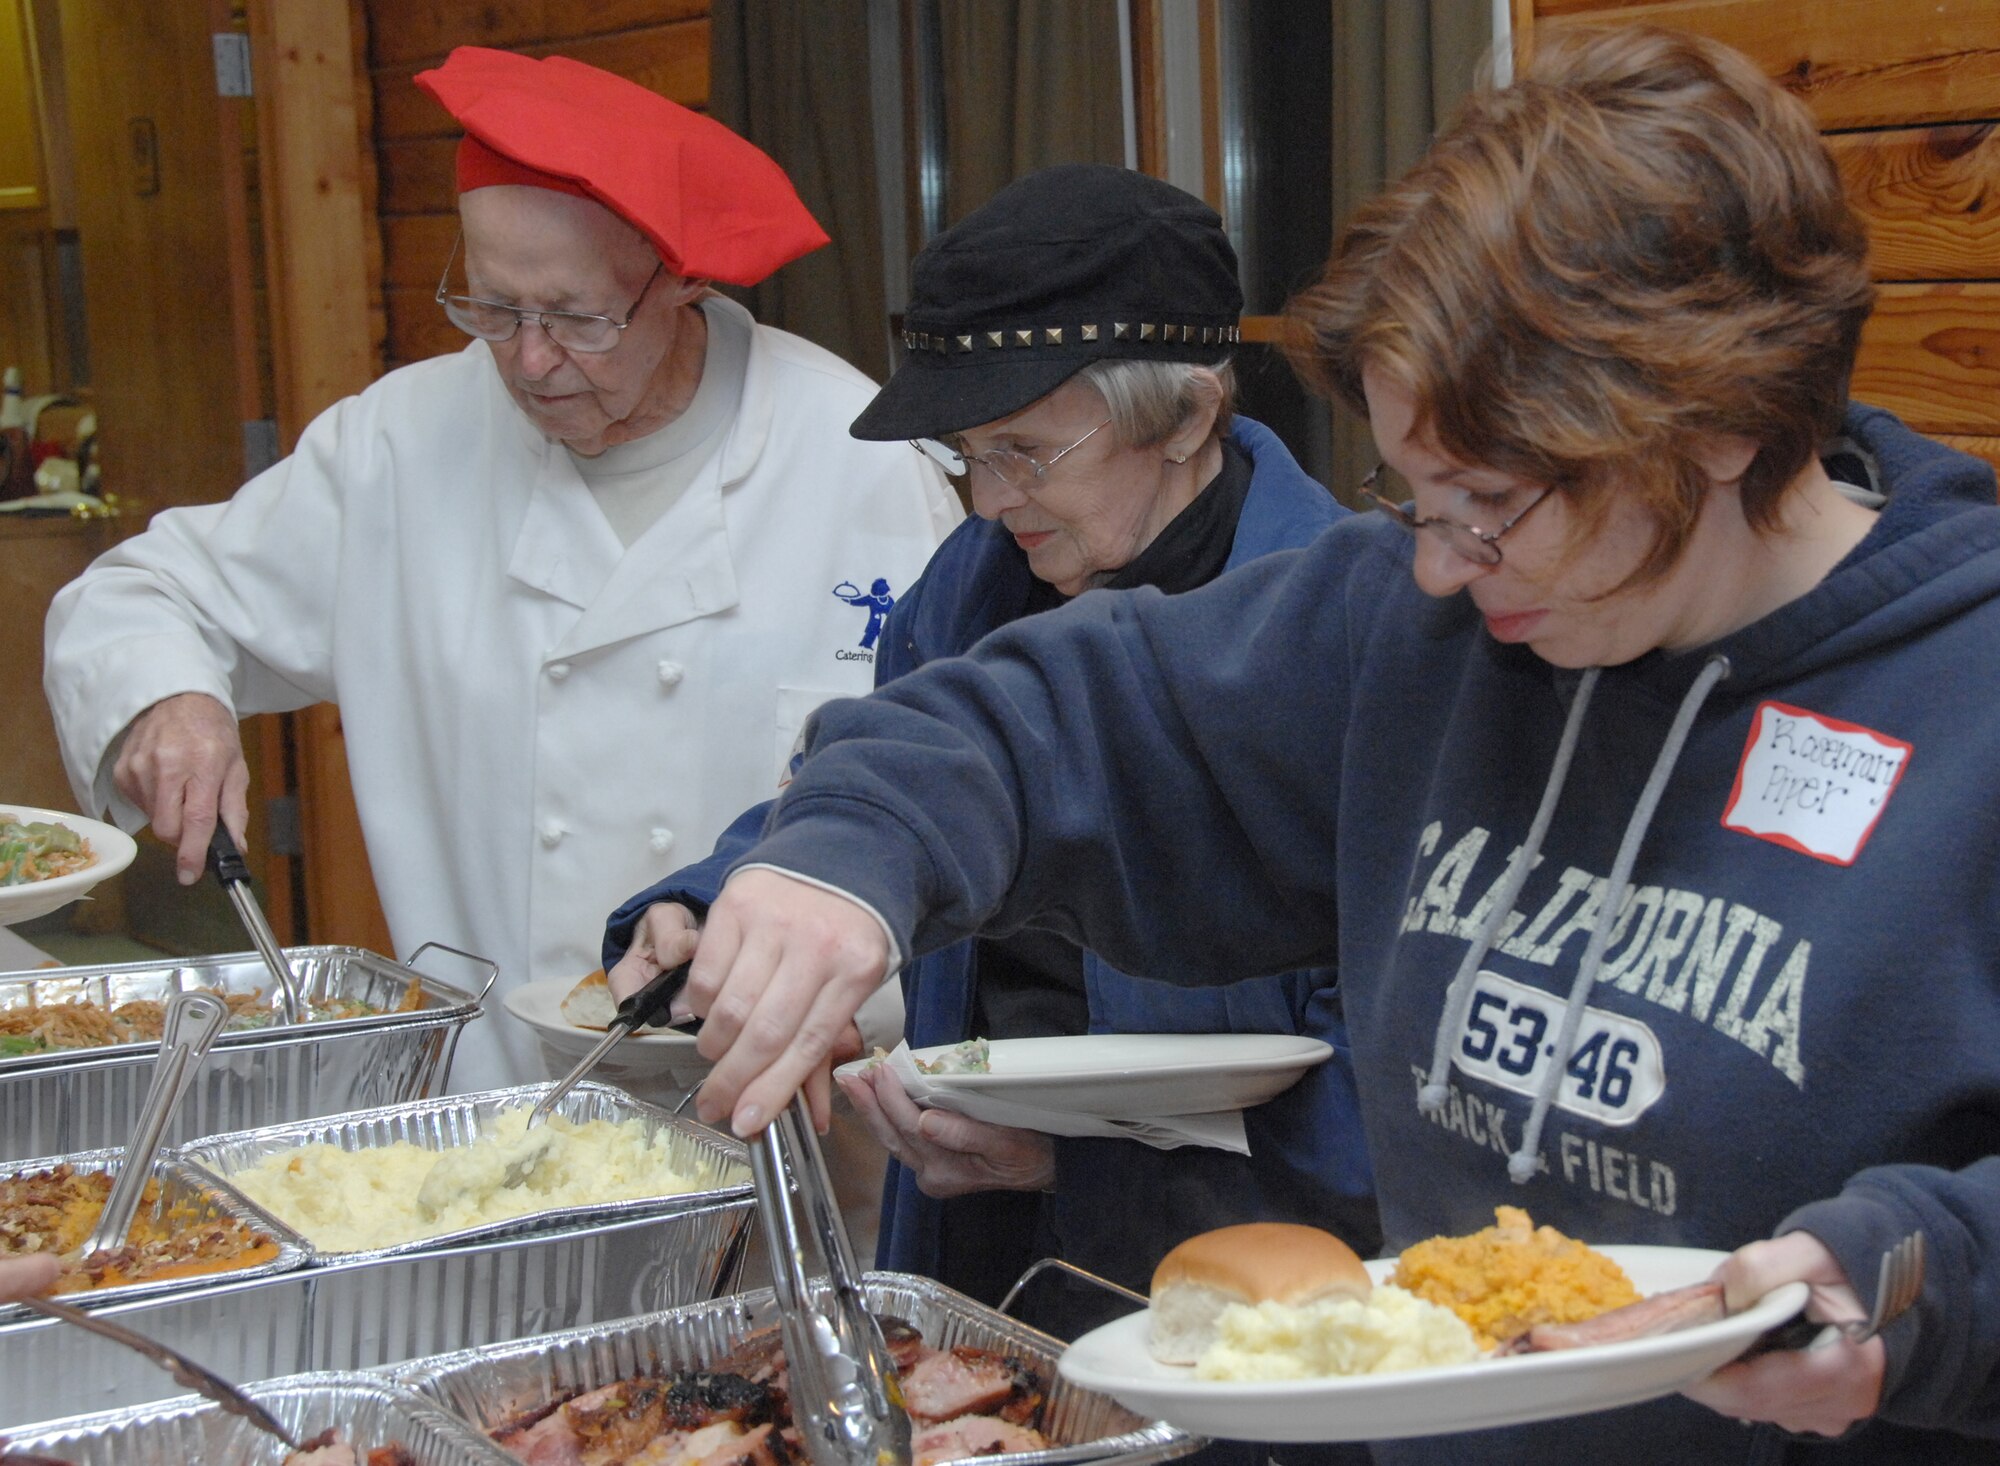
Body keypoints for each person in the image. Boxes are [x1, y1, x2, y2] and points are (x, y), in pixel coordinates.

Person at [613, 26, 2000, 1464]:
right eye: (1415, 494)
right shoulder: (1412, 622)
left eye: (1490, 499)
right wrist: (849, 856)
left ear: (1714, 431)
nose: (1444, 564)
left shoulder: (1969, 691)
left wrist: (1922, 1270)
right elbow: (1045, 718)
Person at [42, 47, 959, 1092]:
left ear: (680, 280)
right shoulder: (398, 446)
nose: (526, 360)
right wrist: (171, 697)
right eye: (491, 309)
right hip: (498, 1117)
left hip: (788, 1120)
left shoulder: (858, 467)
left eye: (575, 317)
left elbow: (951, 795)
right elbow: (144, 590)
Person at [603, 166, 1377, 1352]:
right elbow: (903, 772)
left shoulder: (1340, 635)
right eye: (965, 454)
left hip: (1238, 1290)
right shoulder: (968, 584)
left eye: (1023, 450)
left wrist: (1078, 1167)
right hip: (968, 1246)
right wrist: (729, 893)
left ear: (1185, 414)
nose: (986, 497)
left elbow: (1386, 1110)